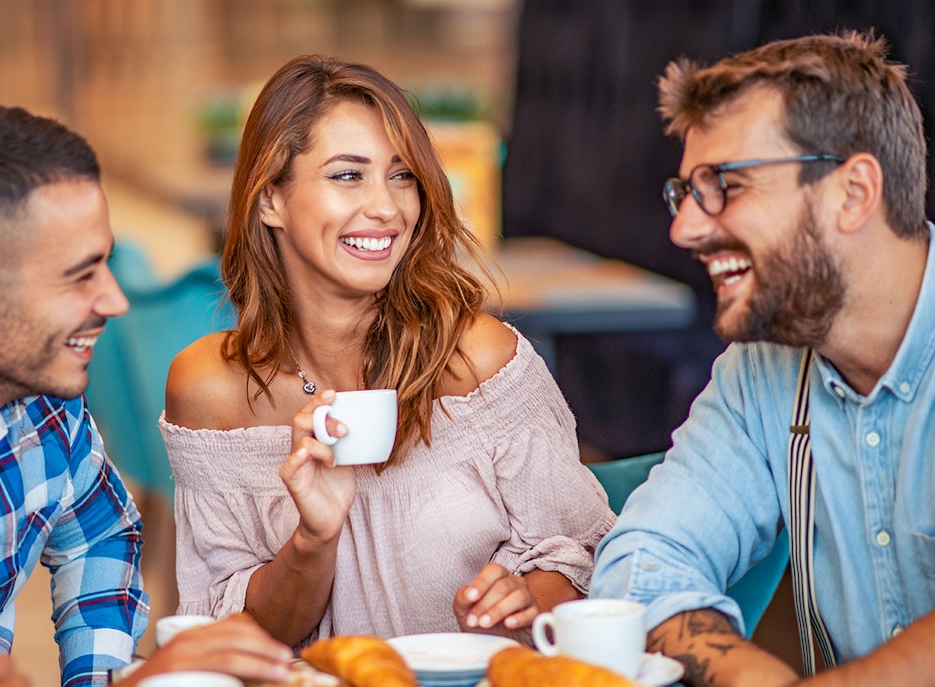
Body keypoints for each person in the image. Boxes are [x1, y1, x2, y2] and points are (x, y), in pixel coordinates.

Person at [590, 31, 935, 687]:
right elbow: (643, 557)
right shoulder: (762, 369)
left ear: (853, 193)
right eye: (686, 191)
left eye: (727, 184)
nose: (684, 228)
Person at [0, 103, 293, 687]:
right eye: (79, 275)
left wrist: (101, 679)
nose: (116, 301)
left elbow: (101, 532)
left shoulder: (42, 404)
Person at [161, 54, 615, 648]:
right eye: (348, 175)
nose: (388, 207)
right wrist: (312, 542)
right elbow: (237, 639)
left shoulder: (478, 360)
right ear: (270, 199)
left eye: (402, 176)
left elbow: (583, 558)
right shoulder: (211, 389)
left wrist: (528, 599)